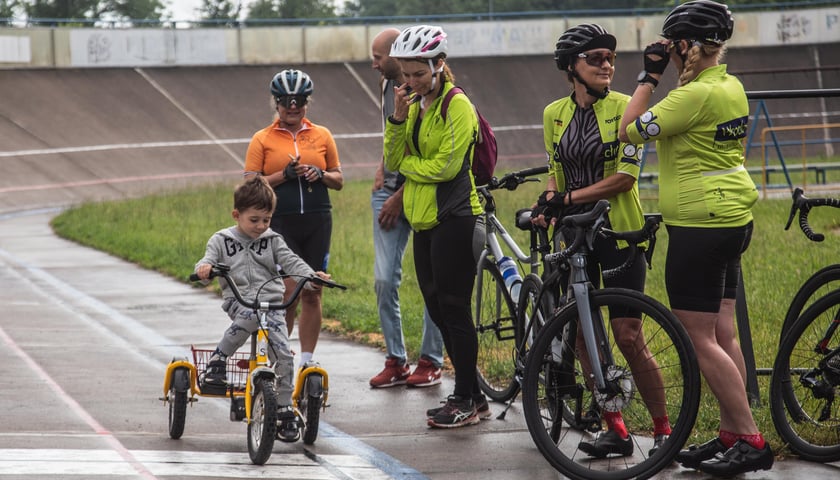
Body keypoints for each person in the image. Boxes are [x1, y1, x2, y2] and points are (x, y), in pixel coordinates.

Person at [619, 1, 773, 476]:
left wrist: (648, 77)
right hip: (731, 216)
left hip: (699, 222)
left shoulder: (691, 97)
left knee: (697, 334)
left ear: (684, 46)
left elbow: (628, 131)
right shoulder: (730, 85)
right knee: (722, 332)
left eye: (673, 45)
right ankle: (732, 433)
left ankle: (750, 438)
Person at [531, 23, 672, 458]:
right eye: (595, 59)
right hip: (571, 237)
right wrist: (549, 204)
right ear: (571, 68)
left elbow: (624, 178)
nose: (607, 65)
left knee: (628, 336)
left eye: (610, 58)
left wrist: (568, 197)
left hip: (618, 233)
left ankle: (664, 432)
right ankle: (616, 428)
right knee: (581, 337)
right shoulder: (553, 113)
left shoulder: (627, 107)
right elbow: (557, 171)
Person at [384, 24, 487, 428]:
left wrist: (410, 166)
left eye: (417, 74)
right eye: (404, 75)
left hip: (456, 218)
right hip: (424, 220)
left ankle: (463, 398)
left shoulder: (456, 106)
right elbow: (393, 159)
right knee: (437, 309)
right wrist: (397, 119)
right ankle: (474, 396)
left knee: (455, 310)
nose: (410, 82)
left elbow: (446, 167)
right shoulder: (414, 105)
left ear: (439, 65)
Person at [195, 176, 330, 443]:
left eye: (266, 220)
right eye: (254, 220)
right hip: (240, 301)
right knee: (250, 316)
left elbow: (291, 261)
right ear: (237, 215)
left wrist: (311, 275)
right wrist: (205, 269)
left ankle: (283, 408)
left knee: (284, 354)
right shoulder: (221, 240)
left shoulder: (273, 240)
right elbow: (208, 259)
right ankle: (218, 360)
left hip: (272, 305)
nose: (261, 226)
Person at [244, 69, 344, 369]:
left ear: (306, 103)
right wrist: (283, 176)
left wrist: (321, 174)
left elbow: (339, 179)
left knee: (312, 291)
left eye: (299, 100)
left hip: (317, 220)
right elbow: (250, 184)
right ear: (276, 103)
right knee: (287, 292)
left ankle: (307, 361)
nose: (293, 106)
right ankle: (279, 359)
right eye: (286, 100)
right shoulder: (263, 138)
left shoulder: (322, 134)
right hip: (281, 222)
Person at [368, 28, 445, 389]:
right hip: (389, 191)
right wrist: (382, 171)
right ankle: (396, 360)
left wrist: (399, 195)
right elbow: (392, 136)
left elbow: (427, 155)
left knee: (432, 280)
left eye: (377, 57)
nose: (373, 64)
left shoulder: (429, 94)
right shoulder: (387, 88)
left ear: (395, 57)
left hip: (418, 192)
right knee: (384, 279)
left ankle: (431, 359)